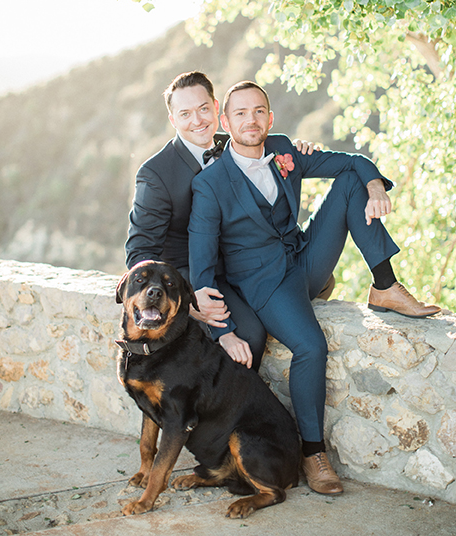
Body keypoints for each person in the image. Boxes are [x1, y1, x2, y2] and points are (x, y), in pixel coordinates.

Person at [188, 80, 441, 496]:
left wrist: (375, 185)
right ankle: (312, 452)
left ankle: (384, 285)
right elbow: (201, 268)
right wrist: (222, 330)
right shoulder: (211, 183)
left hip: (303, 256)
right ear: (224, 120)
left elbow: (350, 161)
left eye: (258, 112)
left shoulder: (285, 148)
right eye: (240, 113)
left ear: (269, 118)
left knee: (350, 183)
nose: (250, 120)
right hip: (265, 283)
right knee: (311, 346)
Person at [125, 70, 325, 371]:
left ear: (216, 108)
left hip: (243, 264)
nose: (198, 121)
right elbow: (139, 253)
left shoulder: (234, 144)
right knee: (250, 336)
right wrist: (186, 299)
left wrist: (299, 150)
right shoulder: (155, 174)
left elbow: (267, 153)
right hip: (196, 276)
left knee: (320, 280)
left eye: (204, 109)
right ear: (173, 120)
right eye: (185, 114)